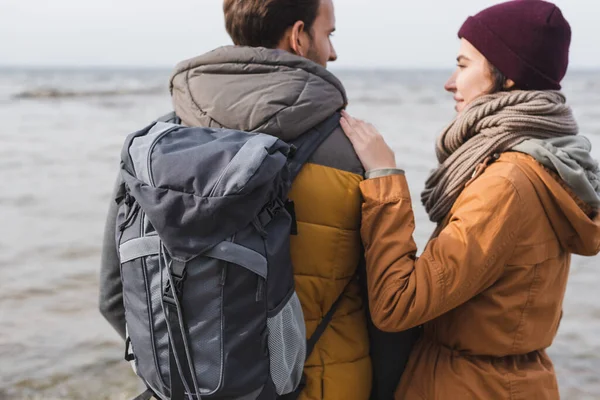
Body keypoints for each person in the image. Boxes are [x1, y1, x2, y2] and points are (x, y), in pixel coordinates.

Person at [100, 1, 418, 398]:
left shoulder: (156, 148)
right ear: (298, 36)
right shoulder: (355, 152)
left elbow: (116, 297)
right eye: (328, 34)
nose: (333, 52)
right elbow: (388, 310)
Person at [340, 1, 600, 399]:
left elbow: (398, 303)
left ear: (506, 75)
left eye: (463, 65)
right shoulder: (545, 162)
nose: (450, 82)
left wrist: (384, 179)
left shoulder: (507, 183)